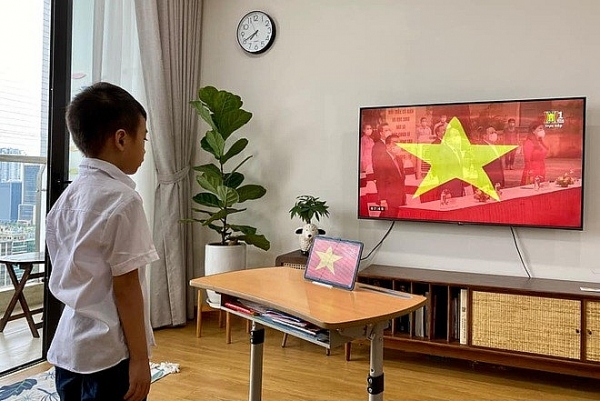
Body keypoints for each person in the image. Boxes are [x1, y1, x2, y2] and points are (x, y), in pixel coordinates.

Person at [45, 82, 159, 401]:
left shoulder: (66, 200)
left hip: (68, 348)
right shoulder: (124, 201)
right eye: (144, 138)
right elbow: (127, 287)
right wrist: (140, 359)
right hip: (110, 354)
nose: (145, 150)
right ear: (121, 139)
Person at [371, 133, 406, 218]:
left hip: (399, 198)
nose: (398, 145)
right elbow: (380, 181)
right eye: (395, 143)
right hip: (388, 199)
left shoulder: (399, 159)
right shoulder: (382, 160)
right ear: (387, 145)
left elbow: (401, 179)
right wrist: (382, 200)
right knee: (386, 219)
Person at [520, 120, 548, 185]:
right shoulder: (529, 142)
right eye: (540, 128)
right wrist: (530, 172)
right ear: (533, 131)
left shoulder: (540, 142)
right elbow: (527, 160)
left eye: (542, 128)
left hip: (541, 168)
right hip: (533, 169)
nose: (542, 130)